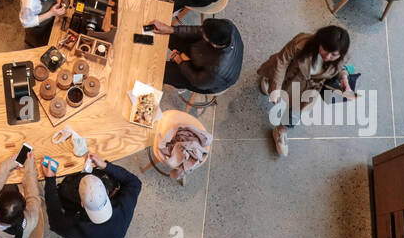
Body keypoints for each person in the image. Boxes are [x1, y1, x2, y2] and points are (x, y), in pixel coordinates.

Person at [257, 25, 352, 156]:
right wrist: (276, 87)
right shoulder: (301, 42)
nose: (328, 56)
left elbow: (343, 67)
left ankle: (281, 131)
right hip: (291, 75)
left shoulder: (342, 55)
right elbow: (282, 61)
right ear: (320, 42)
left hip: (309, 87)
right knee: (274, 76)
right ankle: (269, 81)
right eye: (325, 50)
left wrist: (344, 78)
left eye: (334, 54)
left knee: (295, 112)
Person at [43, 152, 141, 238]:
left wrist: (50, 180)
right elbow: (135, 182)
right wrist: (105, 165)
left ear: (82, 204)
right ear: (107, 194)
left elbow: (54, 218)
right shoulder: (124, 207)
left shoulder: (75, 228)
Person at [148, 16, 243, 94]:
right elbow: (199, 30)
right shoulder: (228, 26)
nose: (201, 30)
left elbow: (196, 80)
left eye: (204, 33)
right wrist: (171, 29)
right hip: (203, 55)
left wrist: (181, 62)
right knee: (169, 35)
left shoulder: (216, 72)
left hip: (205, 80)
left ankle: (181, 86)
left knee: (159, 70)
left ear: (213, 44)